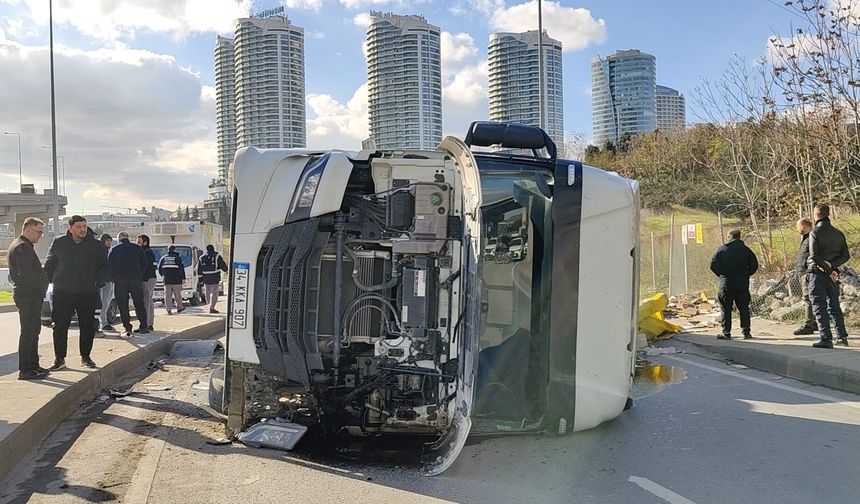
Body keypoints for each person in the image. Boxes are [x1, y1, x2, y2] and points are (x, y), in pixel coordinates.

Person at [44, 215, 108, 370]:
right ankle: (59, 359)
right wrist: (52, 281)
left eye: (84, 226)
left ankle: (85, 357)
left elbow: (104, 267)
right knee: (60, 326)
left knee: (87, 325)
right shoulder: (59, 243)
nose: (82, 229)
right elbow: (50, 263)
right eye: (79, 226)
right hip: (63, 291)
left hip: (87, 292)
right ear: (70, 228)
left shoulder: (95, 245)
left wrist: (97, 283)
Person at [7, 217, 50, 380]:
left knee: (34, 330)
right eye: (39, 232)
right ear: (29, 230)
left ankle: (33, 365)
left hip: (29, 294)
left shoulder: (23, 245)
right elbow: (27, 275)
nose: (40, 236)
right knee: (28, 332)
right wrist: (41, 286)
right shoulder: (22, 247)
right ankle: (26, 369)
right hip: (28, 294)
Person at [806, 204, 850, 348]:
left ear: (817, 214)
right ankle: (842, 336)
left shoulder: (815, 233)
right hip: (833, 275)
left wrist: (827, 268)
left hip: (818, 273)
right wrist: (833, 266)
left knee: (819, 306)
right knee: (834, 305)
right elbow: (845, 255)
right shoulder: (838, 234)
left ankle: (826, 338)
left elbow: (814, 255)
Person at [710, 229, 759, 340]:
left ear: (730, 236)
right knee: (743, 308)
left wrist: (722, 274)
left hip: (727, 283)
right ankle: (746, 332)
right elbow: (754, 265)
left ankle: (726, 332)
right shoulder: (746, 250)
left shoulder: (722, 250)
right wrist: (746, 274)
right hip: (742, 283)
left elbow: (713, 265)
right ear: (739, 237)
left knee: (725, 308)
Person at [108, 231, 149, 336]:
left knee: (123, 305)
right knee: (139, 303)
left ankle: (127, 327)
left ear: (119, 238)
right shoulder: (137, 248)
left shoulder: (115, 249)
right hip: (135, 279)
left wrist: (114, 278)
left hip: (120, 280)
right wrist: (139, 275)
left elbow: (109, 265)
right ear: (127, 238)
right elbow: (144, 263)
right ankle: (143, 326)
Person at [792, 218, 817, 335]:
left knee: (807, 298)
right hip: (804, 271)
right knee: (811, 298)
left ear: (803, 226)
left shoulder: (811, 238)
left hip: (807, 272)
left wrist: (806, 269)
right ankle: (815, 322)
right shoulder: (806, 239)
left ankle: (808, 324)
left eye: (798, 226)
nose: (797, 229)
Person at [198, 244, 228, 314]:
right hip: (215, 277)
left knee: (207, 292)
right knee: (214, 293)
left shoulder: (201, 257)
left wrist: (200, 279)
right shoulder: (217, 256)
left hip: (205, 277)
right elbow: (222, 265)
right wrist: (226, 270)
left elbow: (199, 269)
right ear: (213, 249)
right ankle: (212, 307)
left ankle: (209, 306)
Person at [158, 244, 186, 315]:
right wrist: (183, 278)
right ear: (174, 250)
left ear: (168, 250)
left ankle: (169, 310)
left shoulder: (163, 258)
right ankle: (179, 307)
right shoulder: (177, 258)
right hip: (177, 280)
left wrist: (163, 275)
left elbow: (160, 269)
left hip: (167, 280)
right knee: (178, 295)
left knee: (167, 296)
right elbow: (181, 269)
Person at [138, 234, 156, 331]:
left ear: (145, 242)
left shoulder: (146, 252)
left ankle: (146, 324)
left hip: (147, 279)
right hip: (150, 278)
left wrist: (143, 279)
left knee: (146, 302)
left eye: (139, 242)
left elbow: (148, 267)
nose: (137, 244)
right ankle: (149, 324)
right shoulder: (147, 251)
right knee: (149, 301)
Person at [98, 233, 115, 332]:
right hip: (102, 281)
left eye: (110, 241)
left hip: (108, 280)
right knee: (102, 303)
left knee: (106, 302)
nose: (109, 243)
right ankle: (103, 323)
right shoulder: (100, 252)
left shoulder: (109, 251)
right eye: (107, 241)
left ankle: (104, 323)